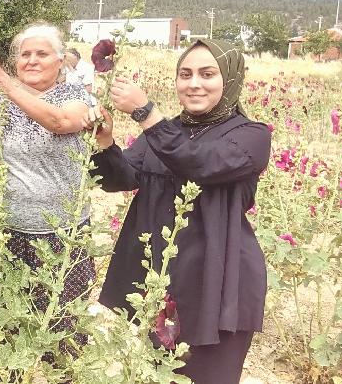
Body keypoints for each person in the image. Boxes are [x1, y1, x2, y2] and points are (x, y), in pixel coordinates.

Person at [84, 39, 271, 383]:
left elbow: (199, 163)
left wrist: (146, 114)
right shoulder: (167, 131)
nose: (194, 83)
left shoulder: (251, 136)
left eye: (207, 73)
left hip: (218, 280)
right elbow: (122, 177)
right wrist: (105, 142)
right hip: (162, 280)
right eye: (185, 74)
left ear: (229, 78)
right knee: (159, 375)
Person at [0, 22, 96, 353]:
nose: (32, 60)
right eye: (25, 54)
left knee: (62, 337)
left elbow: (60, 122)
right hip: (0, 233)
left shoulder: (74, 95)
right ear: (15, 61)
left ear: (60, 60)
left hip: (60, 239)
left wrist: (6, 83)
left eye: (42, 53)